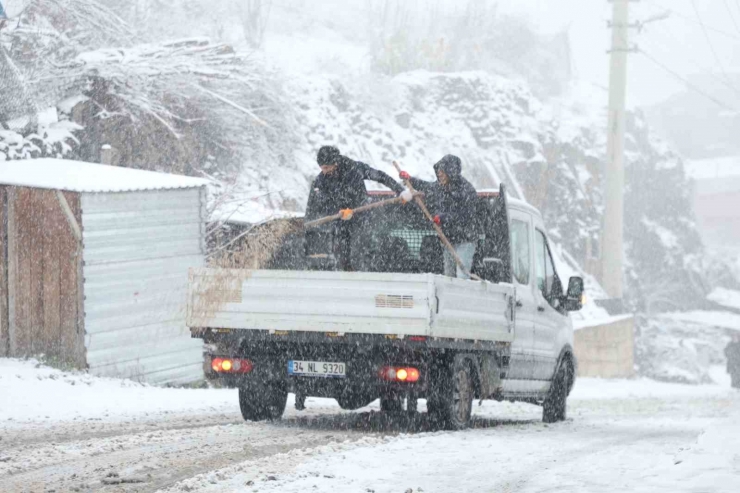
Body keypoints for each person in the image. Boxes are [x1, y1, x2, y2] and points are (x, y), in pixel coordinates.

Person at [305, 145, 411, 270]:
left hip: (362, 215)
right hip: (340, 220)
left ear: (335, 163)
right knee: (340, 249)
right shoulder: (321, 181)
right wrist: (337, 211)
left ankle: (363, 270)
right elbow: (320, 204)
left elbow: (380, 176)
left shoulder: (355, 168)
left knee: (361, 247)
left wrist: (400, 191)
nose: (324, 171)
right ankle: (345, 271)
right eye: (321, 168)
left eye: (326, 167)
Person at [398, 154, 478, 279]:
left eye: (442, 171)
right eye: (438, 171)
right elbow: (427, 186)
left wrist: (443, 218)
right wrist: (410, 179)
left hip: (465, 241)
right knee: (449, 277)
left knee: (462, 277)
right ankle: (449, 298)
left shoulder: (467, 190)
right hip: (448, 240)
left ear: (451, 171)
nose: (439, 174)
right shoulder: (440, 187)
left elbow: (465, 216)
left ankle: (460, 297)